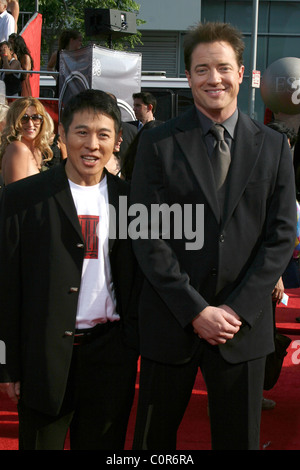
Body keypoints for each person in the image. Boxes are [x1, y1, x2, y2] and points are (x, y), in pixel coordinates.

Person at [130, 21, 296, 450]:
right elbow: (147, 236)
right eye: (201, 69)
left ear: (243, 72)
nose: (213, 78)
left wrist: (235, 310)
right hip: (171, 321)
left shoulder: (275, 147)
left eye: (223, 67)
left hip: (244, 329)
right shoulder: (158, 142)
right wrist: (195, 311)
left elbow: (280, 239)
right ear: (188, 76)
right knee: (153, 446)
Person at [0, 89, 140, 450]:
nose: (91, 145)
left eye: (103, 135)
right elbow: (6, 288)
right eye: (81, 132)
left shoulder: (131, 202)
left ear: (117, 141)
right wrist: (7, 366)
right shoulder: (23, 199)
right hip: (43, 358)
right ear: (61, 135)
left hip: (110, 357)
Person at [0, 97, 53, 184]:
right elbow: (15, 194)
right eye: (24, 118)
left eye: (35, 117)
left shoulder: (38, 150)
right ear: (14, 121)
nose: (30, 124)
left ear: (42, 121)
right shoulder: (18, 149)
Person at [47, 29, 82, 97]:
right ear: (72, 40)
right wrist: (56, 77)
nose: (81, 43)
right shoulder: (57, 54)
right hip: (62, 89)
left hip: (76, 90)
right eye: (79, 40)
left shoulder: (81, 54)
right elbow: (49, 67)